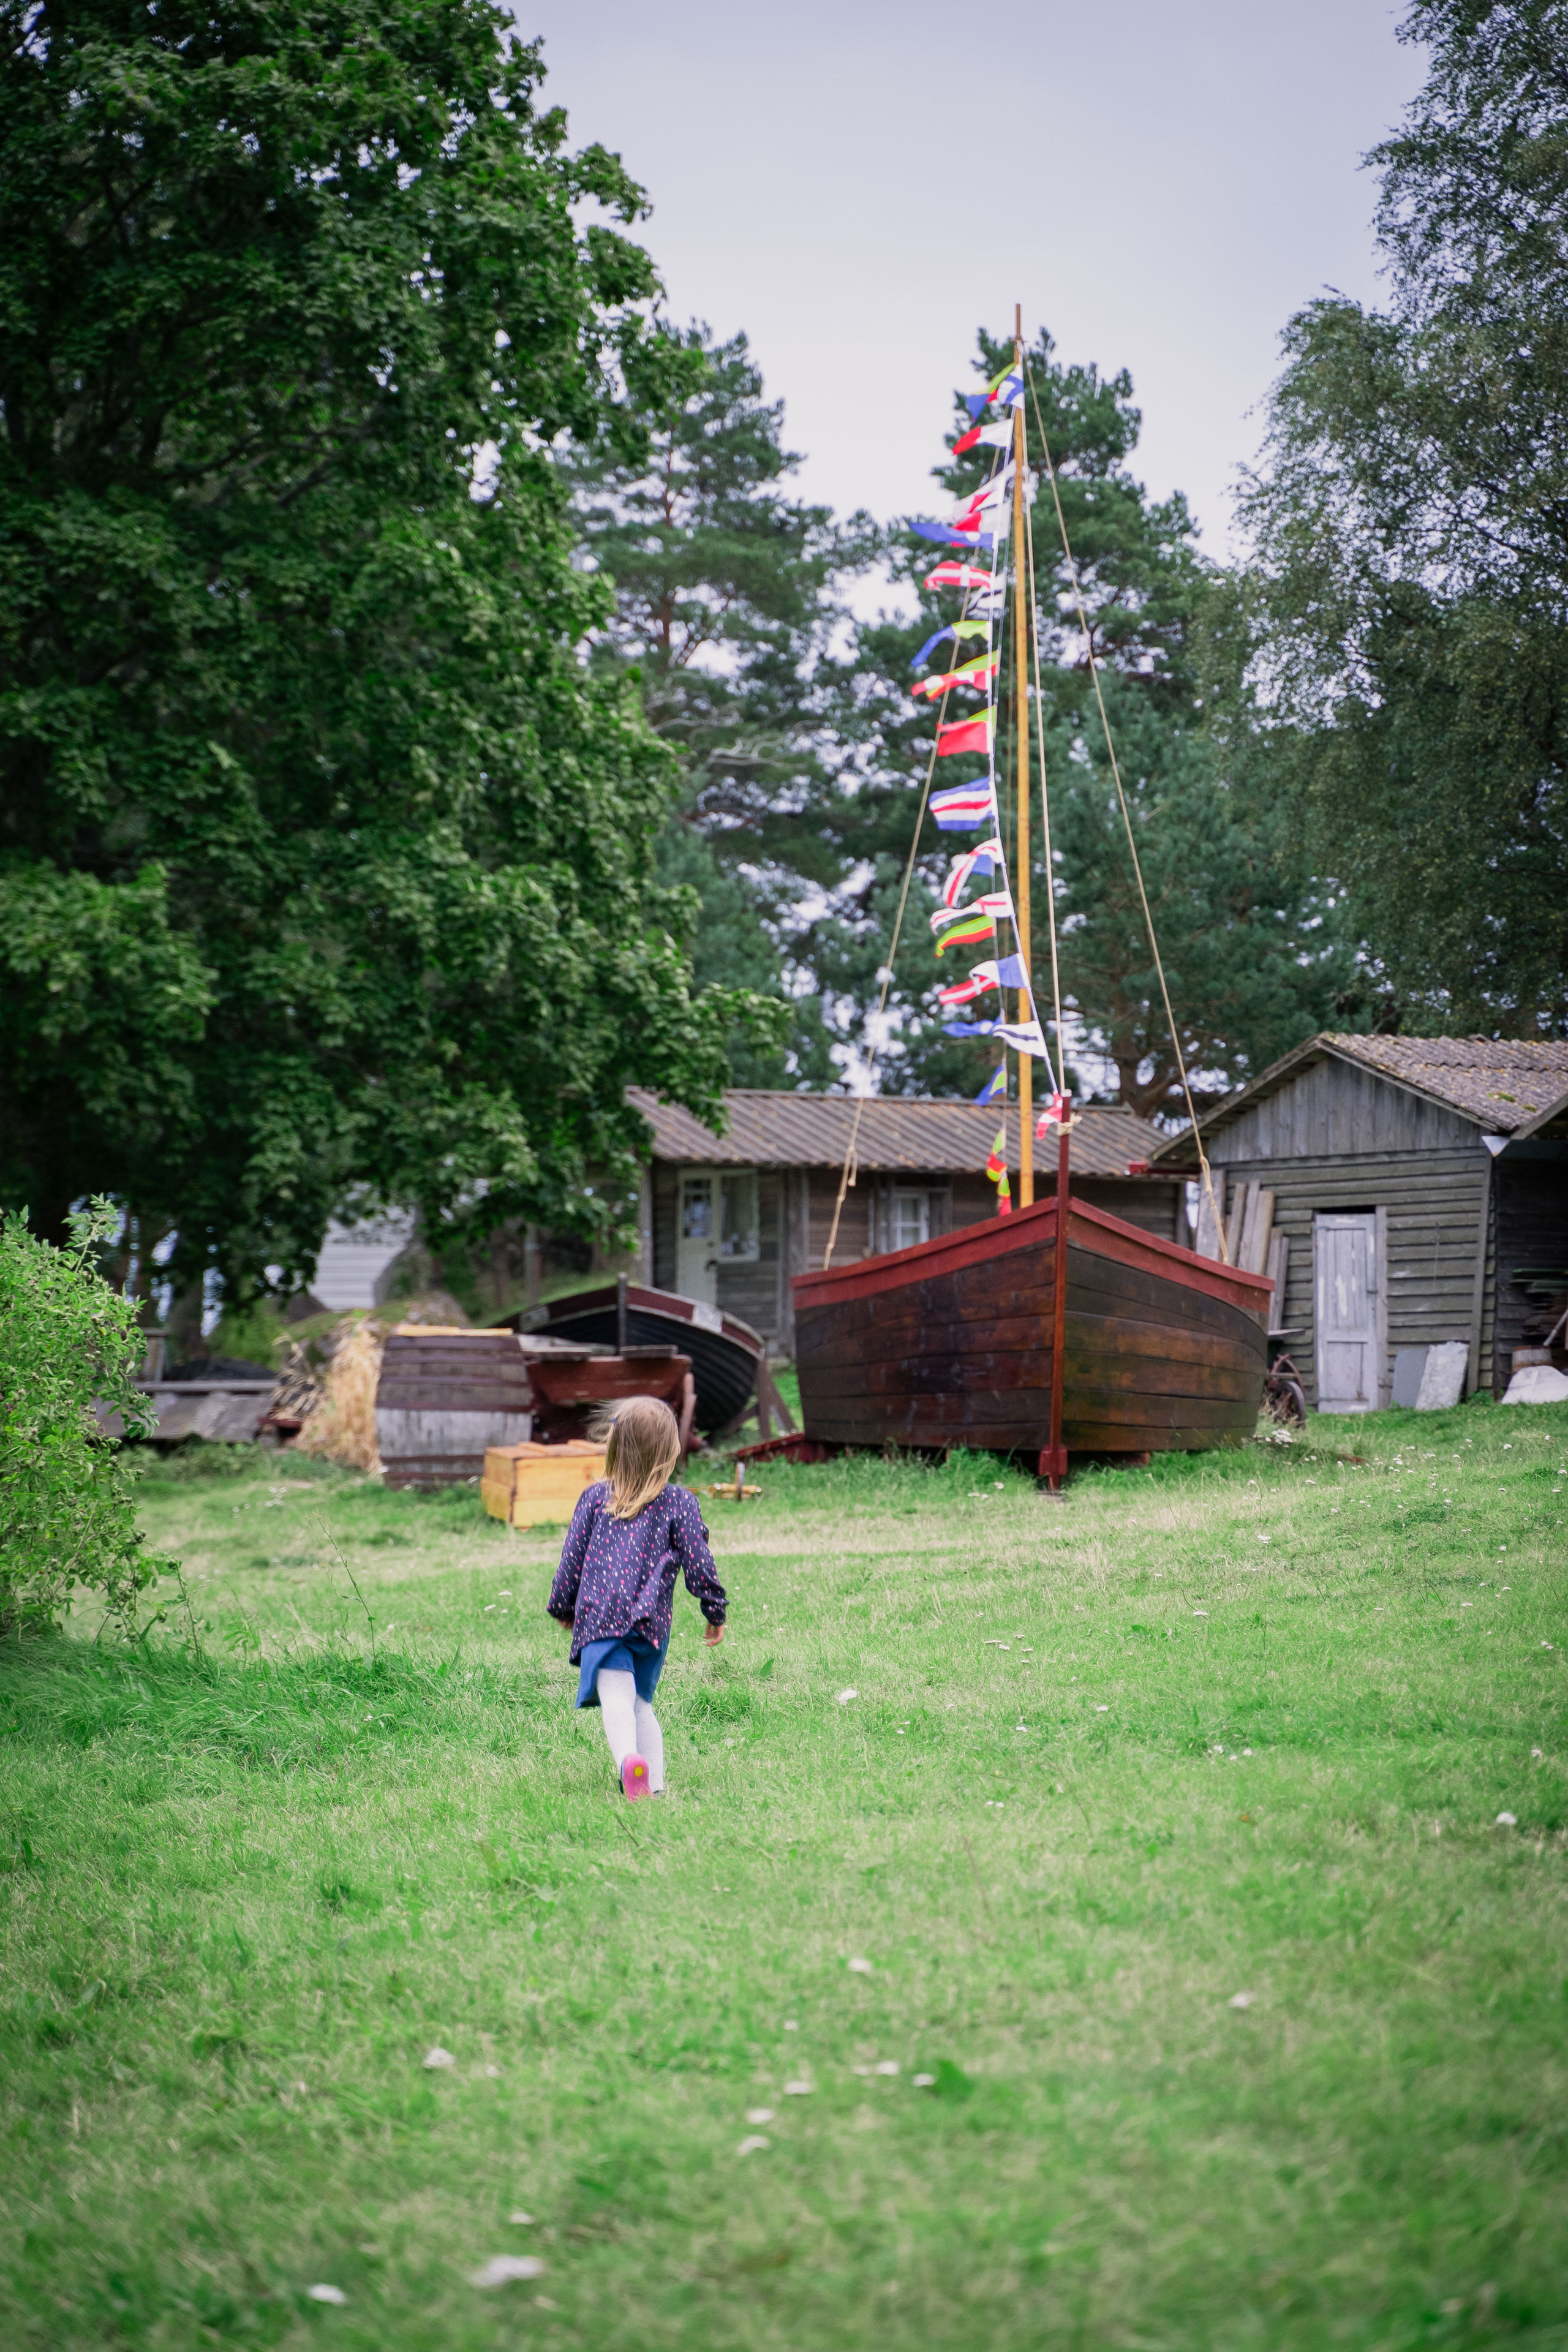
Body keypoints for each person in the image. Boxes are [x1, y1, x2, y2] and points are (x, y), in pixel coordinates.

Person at [547, 1395, 728, 1800]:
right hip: (651, 1624)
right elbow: (700, 1560)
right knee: (641, 1702)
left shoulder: (595, 1499)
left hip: (601, 1618)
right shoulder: (681, 1503)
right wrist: (714, 1609)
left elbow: (571, 1559)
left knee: (616, 1695)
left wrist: (563, 1605)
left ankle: (629, 1760)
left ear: (615, 1447)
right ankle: (655, 1787)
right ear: (670, 1452)